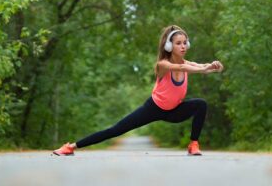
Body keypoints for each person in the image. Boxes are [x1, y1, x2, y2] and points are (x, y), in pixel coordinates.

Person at [52, 25, 224, 156]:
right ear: (169, 46)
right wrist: (204, 68)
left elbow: (202, 67)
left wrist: (214, 66)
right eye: (178, 43)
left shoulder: (188, 63)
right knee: (115, 130)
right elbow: (185, 67)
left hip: (174, 112)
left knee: (200, 104)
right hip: (153, 108)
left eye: (185, 43)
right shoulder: (163, 65)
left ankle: (193, 144)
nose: (183, 46)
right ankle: (70, 146)